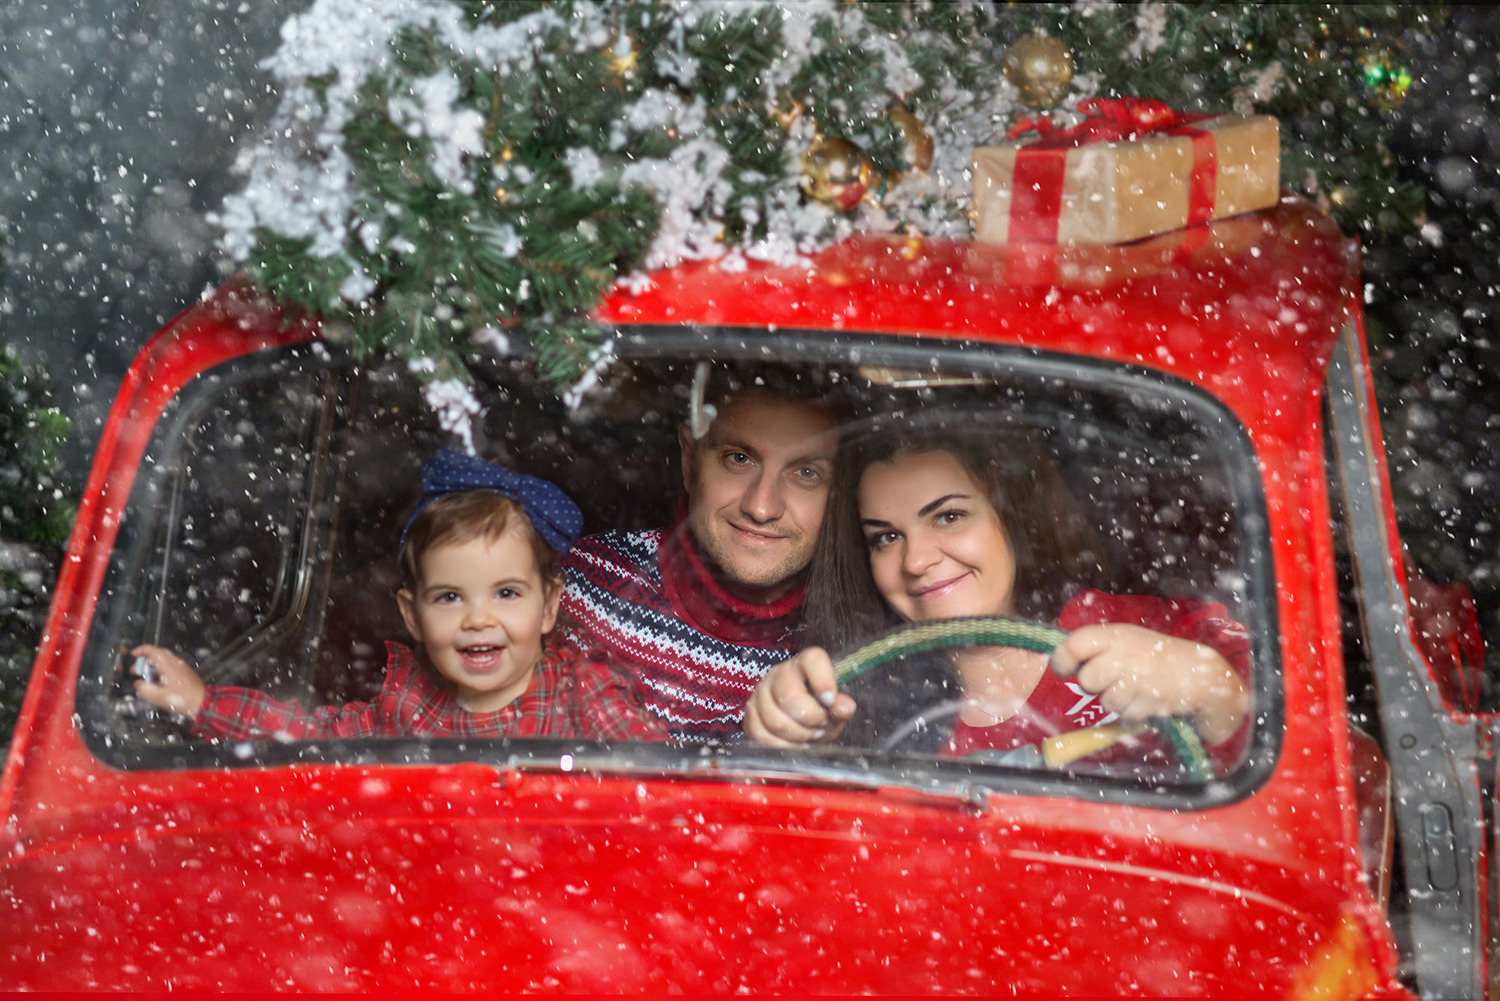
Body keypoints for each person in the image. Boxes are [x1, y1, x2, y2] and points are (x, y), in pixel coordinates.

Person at [741, 422, 1251, 771]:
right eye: (886, 537)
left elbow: (1301, 746)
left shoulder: (1139, 631)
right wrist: (789, 737)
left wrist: (1211, 687)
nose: (915, 560)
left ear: (1013, 517)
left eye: (949, 517)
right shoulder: (862, 700)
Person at [131, 448, 667, 742]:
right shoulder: (408, 704)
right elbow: (311, 738)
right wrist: (202, 703)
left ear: (549, 606)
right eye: (449, 598)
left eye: (506, 593)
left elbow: (658, 781)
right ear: (411, 615)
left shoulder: (584, 691)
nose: (478, 619)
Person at [561, 364, 845, 743]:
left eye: (806, 473)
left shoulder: (853, 645)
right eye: (739, 459)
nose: (761, 508)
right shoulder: (582, 586)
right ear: (689, 459)